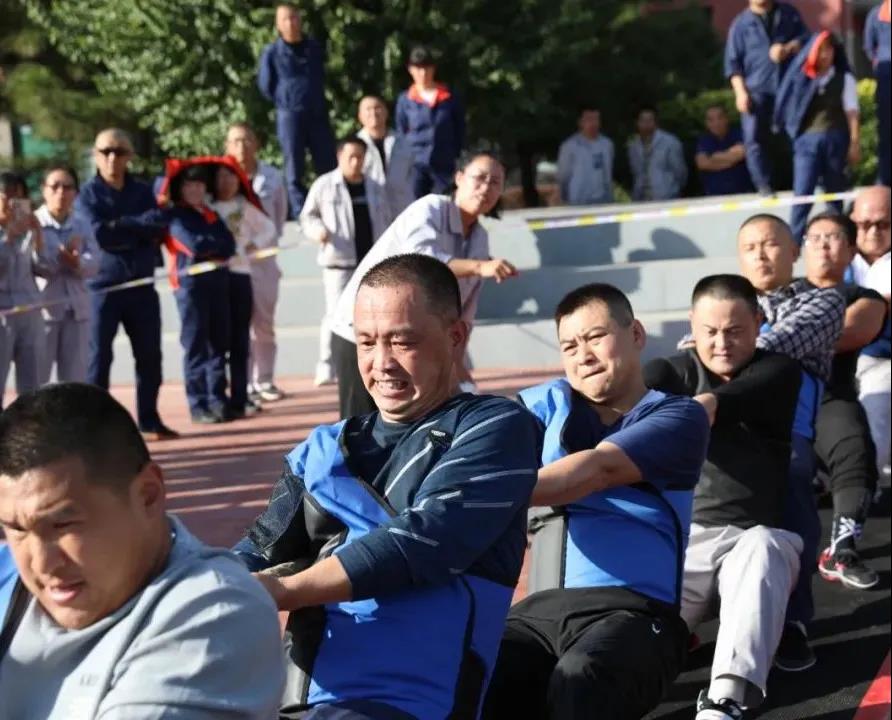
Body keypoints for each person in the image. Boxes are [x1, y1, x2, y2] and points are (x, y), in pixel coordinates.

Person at [234, 254, 542, 719]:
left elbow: (422, 541)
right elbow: (257, 550)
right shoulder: (322, 448)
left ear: (456, 336)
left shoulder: (496, 427)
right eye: (366, 342)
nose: (382, 363)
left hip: (413, 705)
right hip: (299, 704)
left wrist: (285, 591)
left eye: (403, 342)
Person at [482, 283, 710, 720]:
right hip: (537, 617)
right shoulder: (542, 410)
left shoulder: (679, 416)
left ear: (636, 334)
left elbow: (597, 470)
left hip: (633, 615)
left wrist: (483, 490)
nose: (582, 355)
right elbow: (479, 448)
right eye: (569, 346)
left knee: (581, 677)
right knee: (470, 677)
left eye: (595, 337)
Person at [0, 383, 285, 718]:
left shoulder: (218, 616)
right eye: (16, 530)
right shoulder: (9, 577)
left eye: (63, 525)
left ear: (148, 495)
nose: (41, 563)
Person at [645, 275, 804, 720]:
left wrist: (692, 410)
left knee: (764, 546)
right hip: (683, 546)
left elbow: (722, 403)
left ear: (758, 322)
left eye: (734, 331)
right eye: (710, 331)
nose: (721, 343)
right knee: (630, 646)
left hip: (751, 544)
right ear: (691, 325)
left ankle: (725, 699)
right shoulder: (668, 373)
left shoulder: (779, 371)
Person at [328, 150, 519, 418]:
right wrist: (480, 266)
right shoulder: (430, 208)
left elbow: (463, 313)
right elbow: (421, 263)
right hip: (363, 334)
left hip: (410, 342)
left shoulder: (480, 239)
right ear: (459, 178)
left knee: (407, 421)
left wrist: (459, 366)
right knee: (360, 425)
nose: (486, 187)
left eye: (495, 182)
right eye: (480, 178)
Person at [736, 213, 844, 671]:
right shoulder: (726, 301)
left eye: (771, 244)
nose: (761, 255)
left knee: (792, 484)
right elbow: (689, 348)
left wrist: (718, 341)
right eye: (750, 248)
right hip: (724, 424)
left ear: (795, 251)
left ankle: (793, 619)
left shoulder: (823, 301)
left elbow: (776, 344)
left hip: (787, 430)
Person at [76, 128, 177, 441]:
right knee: (99, 358)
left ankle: (149, 419)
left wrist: (119, 226)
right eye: (105, 151)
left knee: (149, 356)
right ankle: (95, 428)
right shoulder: (87, 194)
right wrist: (136, 227)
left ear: (129, 156)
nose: (112, 158)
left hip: (141, 285)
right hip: (103, 287)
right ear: (95, 155)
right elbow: (98, 234)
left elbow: (157, 224)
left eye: (119, 152)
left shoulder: (142, 191)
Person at [802, 212, 884, 590]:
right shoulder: (780, 292)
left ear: (851, 250)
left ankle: (841, 549)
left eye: (833, 237)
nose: (822, 245)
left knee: (854, 441)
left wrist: (772, 337)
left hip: (829, 397)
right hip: (771, 394)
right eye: (814, 237)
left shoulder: (863, 298)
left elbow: (850, 333)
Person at [300, 136, 390, 387]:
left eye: (360, 157)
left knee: (374, 316)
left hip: (371, 262)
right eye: (351, 156)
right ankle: (326, 365)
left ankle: (368, 364)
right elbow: (307, 217)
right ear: (340, 156)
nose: (356, 162)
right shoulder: (324, 185)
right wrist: (318, 232)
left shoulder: (375, 186)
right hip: (339, 262)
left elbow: (386, 218)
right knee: (335, 315)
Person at [159, 161, 236, 424]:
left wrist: (214, 245)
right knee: (195, 346)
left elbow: (229, 244)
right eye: (189, 185)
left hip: (217, 284)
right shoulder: (176, 216)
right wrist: (214, 245)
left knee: (219, 344)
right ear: (181, 189)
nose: (195, 190)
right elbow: (193, 245)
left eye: (199, 185)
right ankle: (198, 403)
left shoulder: (210, 213)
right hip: (190, 288)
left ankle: (218, 399)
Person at [224, 122, 288, 404]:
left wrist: (261, 243)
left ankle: (265, 380)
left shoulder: (272, 177)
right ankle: (244, 383)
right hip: (231, 263)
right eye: (235, 141)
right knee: (237, 326)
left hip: (263, 262)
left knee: (264, 323)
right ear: (227, 146)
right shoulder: (221, 176)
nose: (242, 146)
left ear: (257, 144)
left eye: (247, 140)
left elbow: (279, 218)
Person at [775, 31, 860, 244]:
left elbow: (852, 112)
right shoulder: (802, 79)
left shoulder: (843, 79)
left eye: (829, 49)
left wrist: (854, 142)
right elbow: (789, 108)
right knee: (803, 193)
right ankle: (794, 243)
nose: (825, 55)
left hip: (835, 140)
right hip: (806, 142)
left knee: (835, 193)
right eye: (821, 50)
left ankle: (840, 240)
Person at [209, 157, 278, 418]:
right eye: (221, 177)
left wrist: (253, 245)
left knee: (241, 337)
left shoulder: (244, 207)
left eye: (231, 177)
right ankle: (216, 396)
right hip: (215, 279)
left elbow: (269, 228)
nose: (226, 182)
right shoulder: (207, 206)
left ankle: (241, 394)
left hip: (240, 275)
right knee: (218, 340)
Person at [257, 3, 336, 217]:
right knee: (294, 167)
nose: (290, 23)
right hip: (289, 115)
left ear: (300, 20)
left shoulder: (314, 48)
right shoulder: (272, 52)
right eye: (285, 19)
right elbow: (265, 85)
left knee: (327, 164)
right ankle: (301, 213)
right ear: (278, 25)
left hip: (317, 113)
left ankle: (331, 207)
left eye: (293, 18)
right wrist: (286, 98)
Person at [725, 0, 809, 195]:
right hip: (756, 90)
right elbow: (733, 65)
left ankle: (803, 183)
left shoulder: (788, 14)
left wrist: (789, 48)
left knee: (797, 136)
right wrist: (740, 92)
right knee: (754, 139)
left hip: (788, 87)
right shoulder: (741, 24)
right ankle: (763, 185)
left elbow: (807, 40)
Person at [35, 165, 100, 385]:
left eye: (67, 187)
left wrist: (77, 263)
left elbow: (95, 263)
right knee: (38, 380)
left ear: (76, 192)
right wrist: (60, 259)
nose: (61, 192)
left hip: (76, 309)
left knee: (75, 382)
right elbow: (34, 265)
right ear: (44, 190)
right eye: (55, 186)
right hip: (44, 311)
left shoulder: (82, 223)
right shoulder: (34, 223)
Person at [850, 186, 891, 480]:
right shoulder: (834, 255)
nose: (873, 231)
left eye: (883, 224)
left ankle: (868, 488)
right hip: (834, 360)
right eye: (865, 224)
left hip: (882, 360)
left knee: (876, 410)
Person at [0, 172, 48, 408]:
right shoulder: (10, 234)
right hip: (2, 315)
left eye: (18, 198)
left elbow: (45, 269)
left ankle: (29, 429)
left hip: (29, 311)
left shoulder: (28, 231)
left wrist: (38, 236)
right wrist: (7, 237)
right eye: (6, 196)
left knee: (32, 387)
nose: (12, 204)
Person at [396, 45, 466, 199]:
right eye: (418, 68)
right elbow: (401, 131)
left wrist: (455, 155)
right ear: (410, 69)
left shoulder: (449, 96)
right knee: (416, 204)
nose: (423, 73)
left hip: (444, 163)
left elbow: (460, 129)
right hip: (415, 164)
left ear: (433, 69)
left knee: (444, 202)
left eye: (426, 68)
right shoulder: (405, 100)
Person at [356, 95, 415, 220]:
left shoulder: (403, 143)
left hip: (403, 211)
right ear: (360, 116)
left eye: (377, 108)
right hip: (370, 215)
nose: (373, 113)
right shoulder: (355, 147)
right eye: (368, 109)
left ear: (386, 112)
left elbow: (413, 175)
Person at [556, 104, 615, 206]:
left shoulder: (607, 145)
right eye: (589, 119)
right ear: (580, 122)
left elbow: (608, 174)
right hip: (578, 201)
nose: (593, 123)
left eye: (596, 119)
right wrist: (565, 198)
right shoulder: (569, 146)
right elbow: (563, 176)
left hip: (603, 201)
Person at [627, 106, 688, 201]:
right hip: (641, 199)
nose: (646, 124)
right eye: (643, 120)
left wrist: (672, 190)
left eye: (649, 120)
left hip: (667, 197)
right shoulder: (633, 146)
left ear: (655, 122)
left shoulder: (670, 142)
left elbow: (680, 172)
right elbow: (635, 173)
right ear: (637, 123)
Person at [695, 105, 754, 196]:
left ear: (727, 118)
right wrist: (730, 160)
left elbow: (740, 154)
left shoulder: (739, 133)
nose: (716, 123)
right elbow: (702, 163)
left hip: (744, 192)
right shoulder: (704, 140)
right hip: (714, 195)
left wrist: (714, 157)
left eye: (720, 118)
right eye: (711, 120)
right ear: (706, 123)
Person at [864, 0, 891, 186]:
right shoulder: (876, 15)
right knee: (886, 131)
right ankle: (885, 179)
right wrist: (879, 64)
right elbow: (868, 46)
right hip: (886, 78)